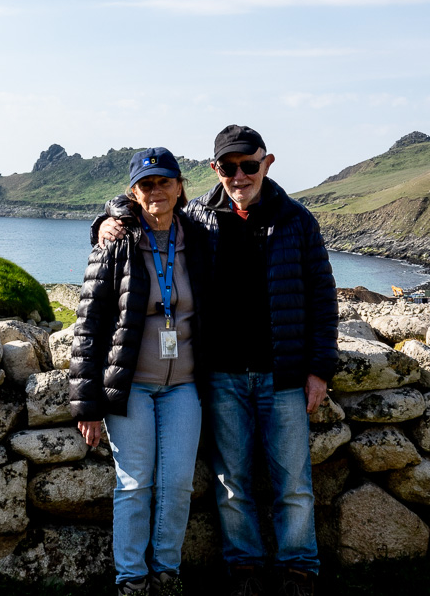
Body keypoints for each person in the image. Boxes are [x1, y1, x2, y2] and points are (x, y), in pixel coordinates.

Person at [97, 126, 338, 596]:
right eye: (229, 167)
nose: (240, 175)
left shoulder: (298, 220)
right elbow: (147, 206)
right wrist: (105, 218)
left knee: (293, 483)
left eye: (249, 165)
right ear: (215, 171)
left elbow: (323, 297)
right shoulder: (202, 217)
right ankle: (244, 569)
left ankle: (299, 571)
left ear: (267, 162)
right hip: (222, 374)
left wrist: (319, 369)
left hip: (284, 373)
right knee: (232, 484)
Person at [70, 147, 208, 596]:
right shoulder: (115, 243)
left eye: (164, 182)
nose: (156, 191)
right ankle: (131, 579)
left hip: (184, 385)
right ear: (133, 192)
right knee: (135, 484)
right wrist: (87, 405)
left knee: (177, 484)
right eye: (146, 184)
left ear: (180, 186)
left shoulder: (199, 237)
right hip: (129, 388)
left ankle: (166, 574)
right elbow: (88, 328)